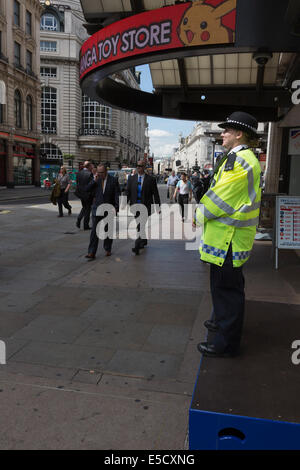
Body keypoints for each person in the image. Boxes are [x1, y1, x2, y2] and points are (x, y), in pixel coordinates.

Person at [193, 111, 262, 358]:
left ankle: (226, 344)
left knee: (228, 292)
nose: (222, 134)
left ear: (239, 134)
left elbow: (219, 199)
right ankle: (220, 321)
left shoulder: (240, 161)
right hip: (227, 238)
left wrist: (197, 215)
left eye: (226, 131)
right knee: (223, 287)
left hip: (229, 238)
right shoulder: (240, 158)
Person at [85, 164, 120, 260]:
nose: (99, 174)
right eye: (98, 172)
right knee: (94, 232)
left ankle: (107, 248)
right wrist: (93, 181)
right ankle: (91, 252)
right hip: (97, 208)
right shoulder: (96, 180)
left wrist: (117, 207)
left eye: (101, 172)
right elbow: (86, 190)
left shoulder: (113, 180)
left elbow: (117, 194)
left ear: (106, 171)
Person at [126, 159, 161, 255]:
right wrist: (123, 203)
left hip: (145, 206)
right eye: (137, 165)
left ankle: (137, 246)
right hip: (135, 206)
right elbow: (128, 192)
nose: (138, 167)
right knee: (139, 225)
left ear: (144, 167)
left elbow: (155, 194)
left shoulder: (151, 179)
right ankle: (144, 240)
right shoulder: (132, 178)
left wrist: (158, 207)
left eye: (140, 166)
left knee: (140, 226)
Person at [75, 160, 94, 230]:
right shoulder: (90, 174)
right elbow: (91, 185)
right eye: (91, 165)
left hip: (81, 194)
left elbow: (77, 183)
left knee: (84, 208)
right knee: (87, 209)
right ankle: (86, 225)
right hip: (88, 195)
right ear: (89, 166)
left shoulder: (79, 173)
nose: (92, 166)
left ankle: (79, 219)